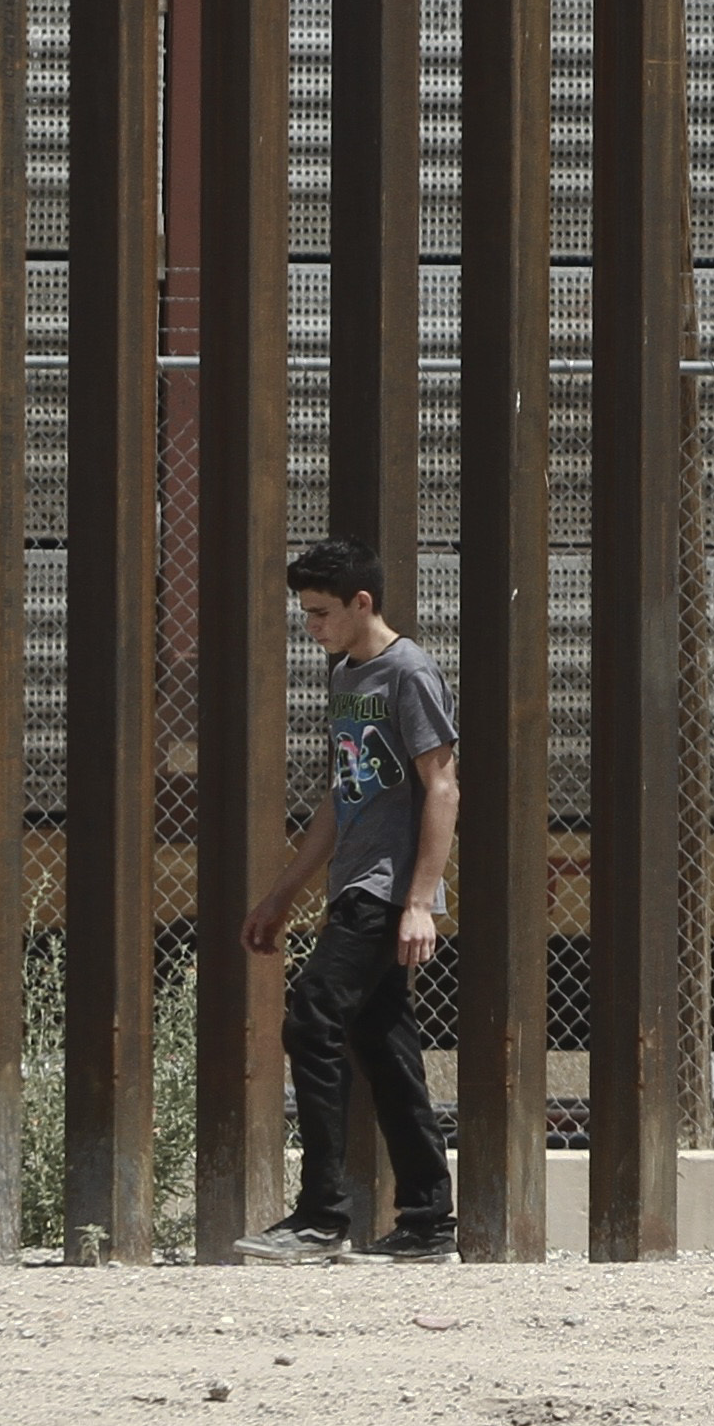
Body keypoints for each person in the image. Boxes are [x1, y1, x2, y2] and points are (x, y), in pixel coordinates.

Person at [233, 538, 460, 1263]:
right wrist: (284, 892)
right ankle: (427, 1220)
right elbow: (346, 794)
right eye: (306, 613)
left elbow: (443, 785)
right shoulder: (346, 675)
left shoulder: (410, 672)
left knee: (311, 1017)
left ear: (363, 602)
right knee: (384, 1046)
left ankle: (322, 1214)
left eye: (323, 612)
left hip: (387, 887)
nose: (313, 627)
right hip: (354, 881)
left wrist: (421, 898)